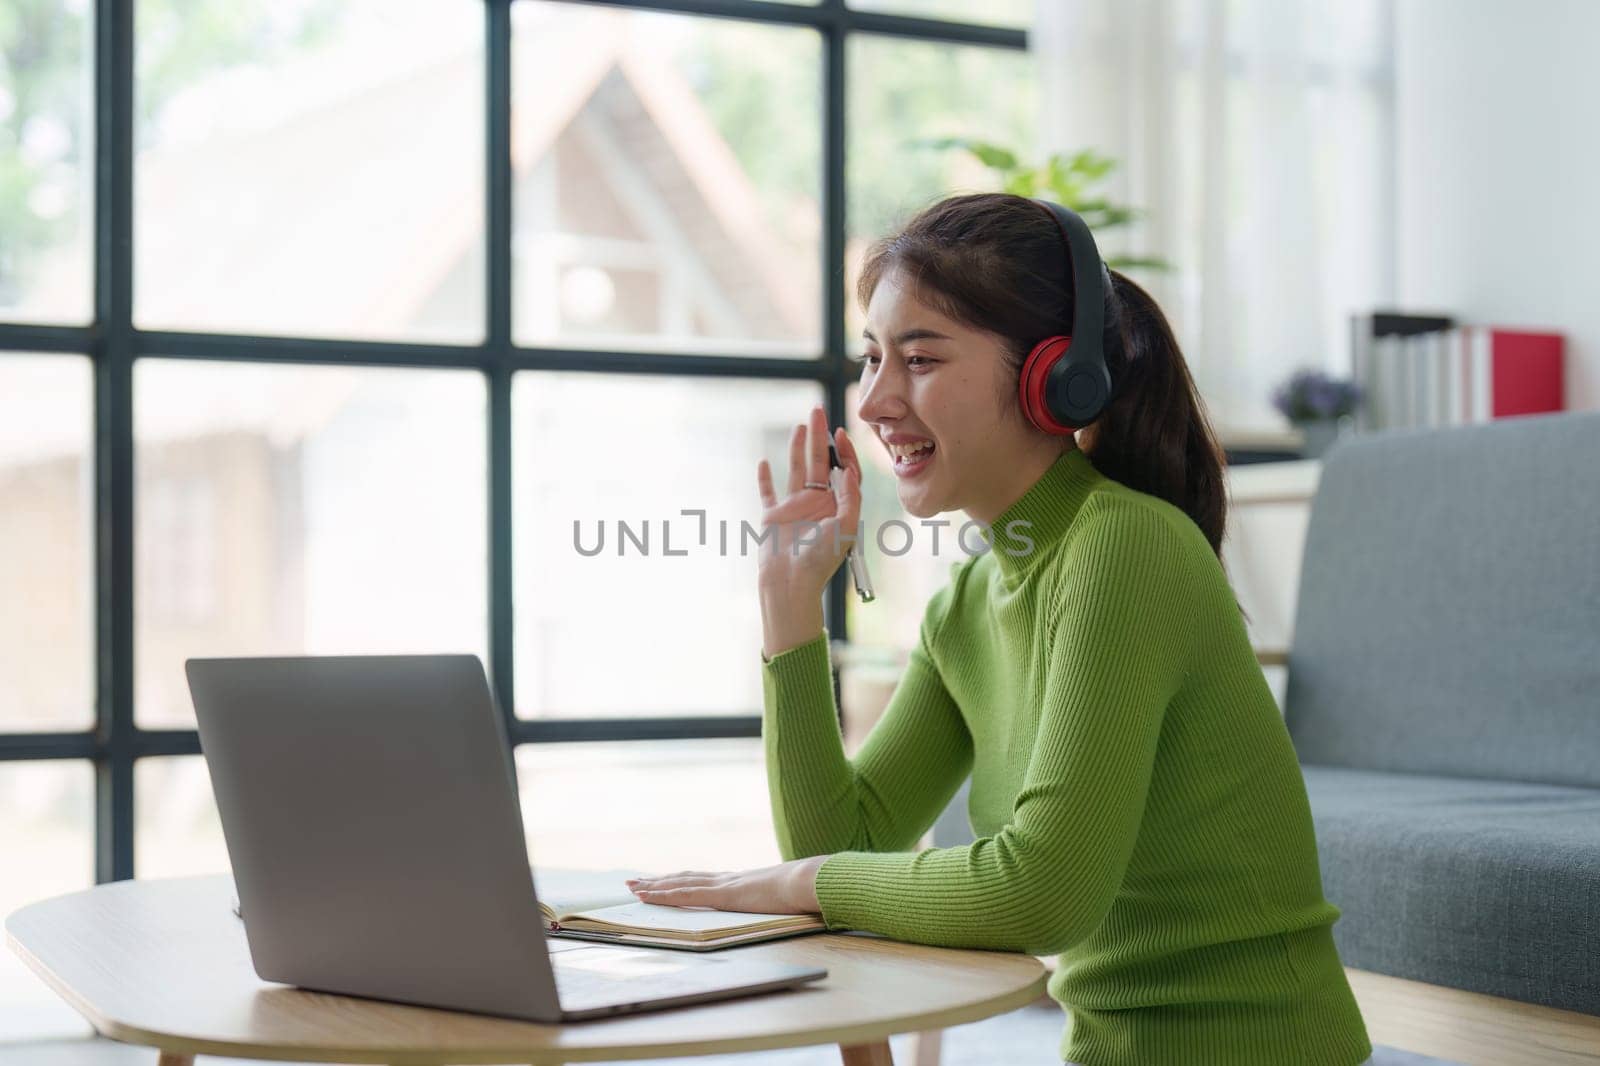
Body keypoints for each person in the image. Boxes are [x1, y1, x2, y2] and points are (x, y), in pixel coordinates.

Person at [623, 192, 1374, 1066]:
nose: (873, 403)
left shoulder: (1127, 547)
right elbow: (851, 849)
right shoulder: (970, 600)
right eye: (873, 359)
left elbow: (1041, 893)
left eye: (920, 358)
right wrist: (787, 609)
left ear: (1050, 375)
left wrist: (797, 883)